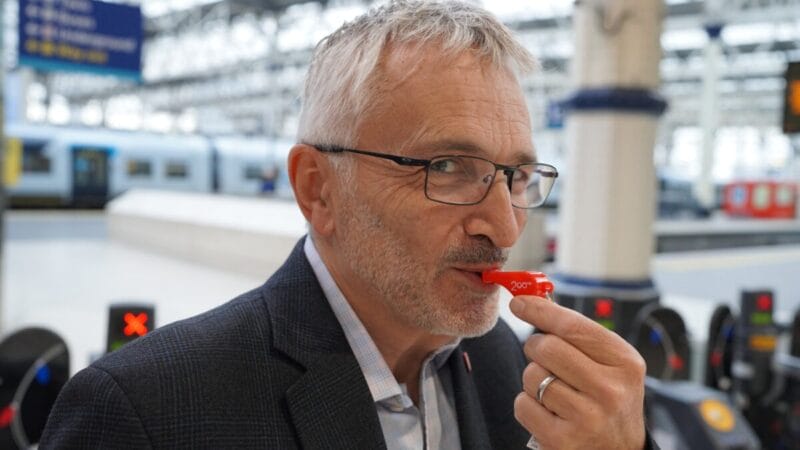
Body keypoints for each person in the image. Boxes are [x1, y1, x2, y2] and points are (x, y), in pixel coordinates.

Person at [41, 1, 658, 449]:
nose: (503, 224)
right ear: (318, 188)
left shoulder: (516, 372)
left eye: (516, 176)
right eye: (446, 166)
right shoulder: (146, 413)